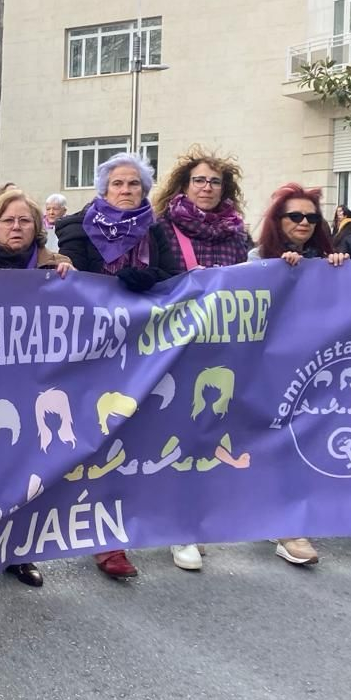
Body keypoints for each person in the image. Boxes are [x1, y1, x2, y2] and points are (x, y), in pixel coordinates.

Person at [54, 152, 180, 579]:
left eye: (134, 185)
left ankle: (112, 539)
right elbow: (71, 276)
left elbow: (176, 277)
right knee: (88, 441)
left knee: (127, 442)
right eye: (118, 184)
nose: (126, 191)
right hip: (88, 353)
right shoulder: (76, 227)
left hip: (141, 352)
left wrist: (152, 277)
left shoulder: (157, 230)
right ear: (102, 190)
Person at [0, 188, 74, 588]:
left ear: (38, 227)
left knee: (27, 469)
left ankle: (18, 552)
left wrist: (71, 281)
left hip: (35, 386)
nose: (17, 227)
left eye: (25, 220)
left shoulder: (56, 267)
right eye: (8, 220)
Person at [150, 149, 254, 573]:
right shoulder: (163, 229)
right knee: (179, 436)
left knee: (208, 436)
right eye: (199, 180)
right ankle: (180, 527)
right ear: (184, 185)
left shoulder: (236, 234)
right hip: (177, 348)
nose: (207, 187)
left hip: (222, 350)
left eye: (214, 182)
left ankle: (192, 517)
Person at [250, 183, 349, 568]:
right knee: (275, 442)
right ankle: (286, 526)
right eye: (295, 216)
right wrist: (274, 273)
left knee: (305, 443)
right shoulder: (256, 257)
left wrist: (340, 269)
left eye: (311, 217)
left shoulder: (331, 259)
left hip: (318, 370)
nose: (304, 222)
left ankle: (289, 523)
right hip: (268, 368)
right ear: (279, 220)